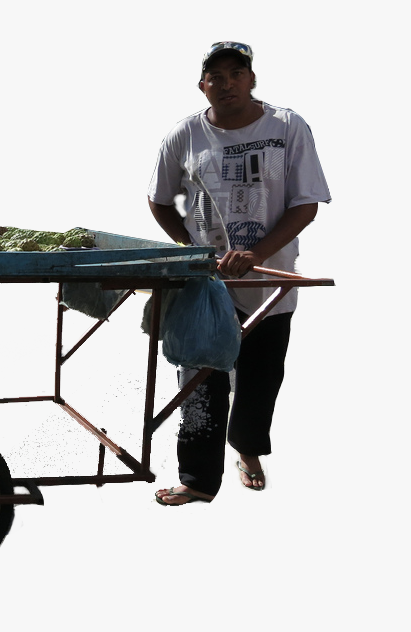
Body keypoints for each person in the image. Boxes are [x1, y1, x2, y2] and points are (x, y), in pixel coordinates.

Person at [147, 41, 331, 505]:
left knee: (260, 378)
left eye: (236, 73)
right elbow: (159, 198)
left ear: (252, 79)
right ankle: (197, 479)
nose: (226, 82)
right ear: (202, 85)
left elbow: (305, 203)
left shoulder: (287, 127)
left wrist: (255, 253)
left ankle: (247, 449)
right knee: (199, 380)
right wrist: (191, 250)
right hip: (206, 284)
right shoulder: (185, 135)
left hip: (271, 278)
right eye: (216, 75)